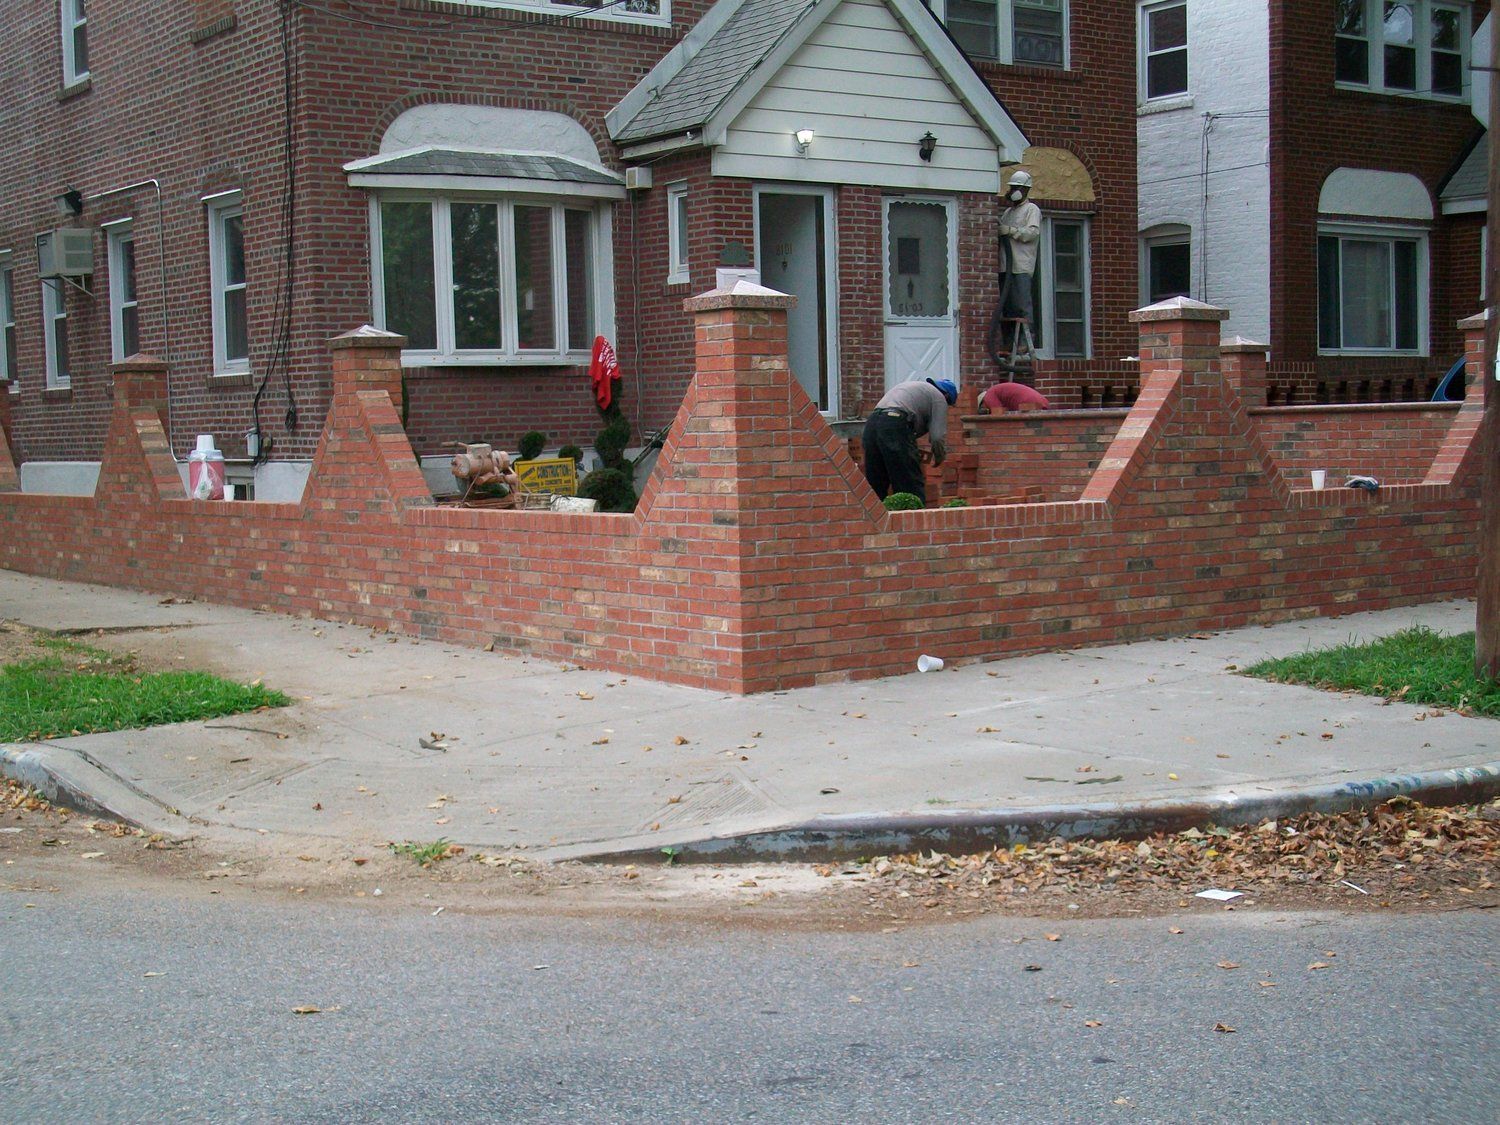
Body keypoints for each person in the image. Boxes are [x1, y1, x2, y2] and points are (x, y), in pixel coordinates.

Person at [862, 377, 958, 504]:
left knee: (876, 486)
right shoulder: (939, 398)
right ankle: (914, 521)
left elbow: (900, 436)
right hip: (895, 422)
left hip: (871, 424)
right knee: (909, 486)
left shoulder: (916, 388)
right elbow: (937, 436)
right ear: (947, 396)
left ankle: (872, 522)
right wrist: (939, 456)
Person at [998, 170, 1042, 340]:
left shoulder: (1032, 209)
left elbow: (1032, 233)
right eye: (1012, 187)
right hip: (1005, 266)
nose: (1013, 190)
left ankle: (1026, 338)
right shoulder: (1008, 212)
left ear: (1026, 190)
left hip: (1021, 266)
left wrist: (1011, 231)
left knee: (1022, 305)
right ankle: (1009, 341)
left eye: (1017, 187)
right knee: (1007, 307)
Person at [976, 381, 1050, 414]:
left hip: (1028, 402)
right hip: (1042, 400)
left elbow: (998, 415)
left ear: (982, 403)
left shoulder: (988, 396)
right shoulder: (995, 391)